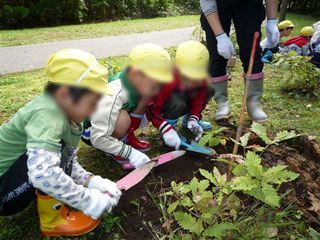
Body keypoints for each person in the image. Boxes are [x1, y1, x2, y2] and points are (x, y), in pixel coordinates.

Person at [0, 49, 122, 236]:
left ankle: (51, 209)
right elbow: (44, 174)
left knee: (52, 158)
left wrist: (92, 181)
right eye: (92, 101)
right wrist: (87, 200)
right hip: (3, 192)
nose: (96, 107)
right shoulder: (48, 113)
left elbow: (66, 161)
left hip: (12, 179)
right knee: (45, 169)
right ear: (65, 95)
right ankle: (52, 221)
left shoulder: (66, 116)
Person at [82, 43, 172, 169]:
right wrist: (130, 154)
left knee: (143, 101)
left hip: (111, 119)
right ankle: (115, 149)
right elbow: (98, 137)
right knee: (123, 119)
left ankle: (127, 138)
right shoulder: (115, 92)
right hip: (93, 129)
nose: (159, 86)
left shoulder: (138, 84)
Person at [200, 0, 280, 122]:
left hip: (249, 4)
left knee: (251, 50)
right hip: (217, 4)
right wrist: (220, 36)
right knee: (216, 52)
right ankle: (222, 102)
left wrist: (272, 21)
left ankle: (254, 102)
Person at [147, 40, 214, 149]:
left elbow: (200, 98)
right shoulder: (166, 80)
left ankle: (188, 123)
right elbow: (152, 109)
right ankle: (170, 130)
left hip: (183, 98)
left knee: (209, 89)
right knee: (178, 102)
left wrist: (194, 118)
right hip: (167, 107)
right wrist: (165, 129)